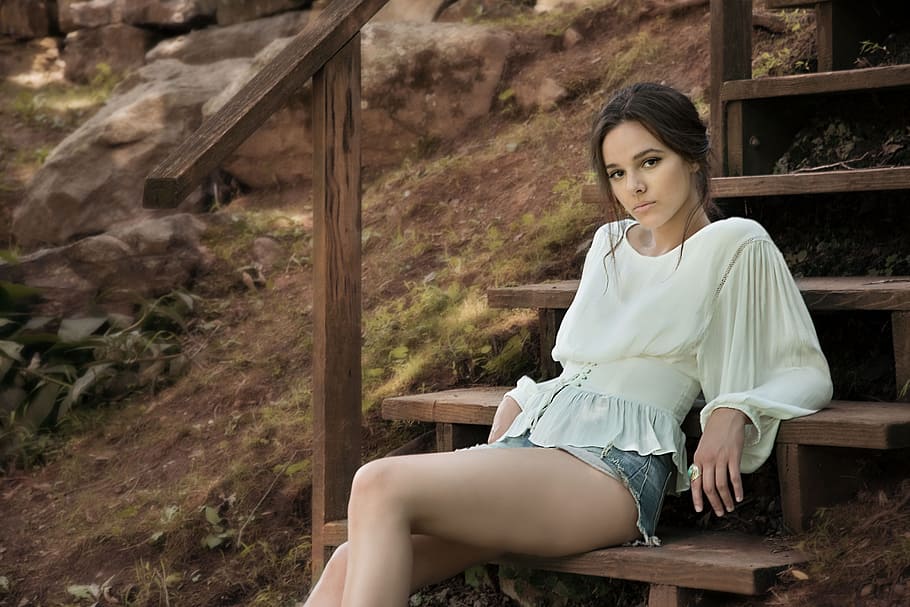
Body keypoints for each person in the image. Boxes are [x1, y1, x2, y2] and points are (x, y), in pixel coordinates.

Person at [303, 82, 833, 607]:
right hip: (537, 442)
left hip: (612, 465)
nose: (635, 187)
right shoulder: (608, 245)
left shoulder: (736, 243)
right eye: (618, 173)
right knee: (346, 562)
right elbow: (584, 363)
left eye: (650, 162)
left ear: (693, 156)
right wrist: (527, 397)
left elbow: (803, 369)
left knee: (379, 483)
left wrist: (732, 409)